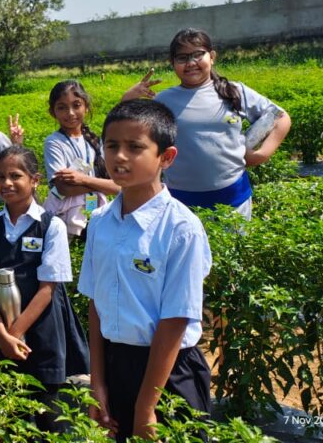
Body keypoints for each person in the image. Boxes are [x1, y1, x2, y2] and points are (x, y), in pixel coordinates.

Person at [78, 100, 212, 441]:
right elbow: (96, 304)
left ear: (166, 157)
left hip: (168, 374)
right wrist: (98, 383)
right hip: (115, 364)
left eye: (135, 147)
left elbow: (176, 319)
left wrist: (146, 407)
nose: (120, 157)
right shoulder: (99, 223)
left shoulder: (181, 228)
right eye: (112, 146)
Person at [0, 145, 89, 434]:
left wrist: (16, 333)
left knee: (49, 416)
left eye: (15, 175)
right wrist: (2, 335)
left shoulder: (51, 226)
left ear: (34, 180)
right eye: (0, 177)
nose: (6, 183)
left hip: (41, 330)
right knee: (8, 419)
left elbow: (48, 288)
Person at [122, 27, 291, 219]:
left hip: (234, 201)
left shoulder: (233, 91)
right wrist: (126, 100)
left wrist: (262, 154)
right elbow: (129, 137)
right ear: (172, 63)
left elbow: (280, 117)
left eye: (197, 55)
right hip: (182, 204)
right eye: (182, 58)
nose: (191, 63)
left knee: (234, 248)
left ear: (211, 57)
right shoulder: (164, 100)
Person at [43, 80, 120, 240]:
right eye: (62, 107)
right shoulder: (54, 142)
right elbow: (63, 189)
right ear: (53, 112)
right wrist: (100, 185)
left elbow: (118, 187)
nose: (70, 113)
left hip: (96, 215)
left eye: (76, 105)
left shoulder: (96, 142)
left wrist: (81, 180)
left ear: (86, 106)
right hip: (64, 220)